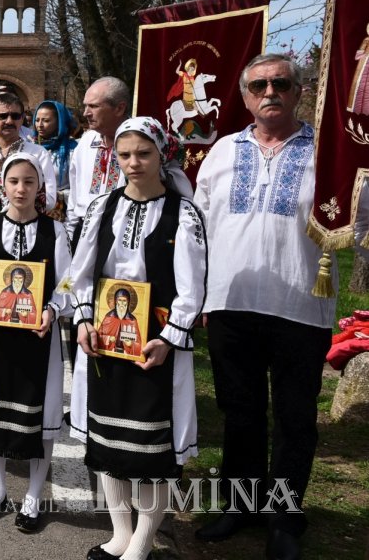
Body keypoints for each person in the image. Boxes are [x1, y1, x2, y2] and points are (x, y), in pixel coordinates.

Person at [193, 54, 332, 560]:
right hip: (231, 302)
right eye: (258, 85)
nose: (269, 91)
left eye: (280, 83)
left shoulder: (328, 150)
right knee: (240, 411)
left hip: (301, 303)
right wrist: (200, 293)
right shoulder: (224, 151)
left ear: (299, 91)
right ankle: (239, 506)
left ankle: (285, 516)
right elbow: (199, 225)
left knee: (295, 416)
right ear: (246, 96)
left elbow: (357, 219)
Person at [68, 116, 206, 560]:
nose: (133, 163)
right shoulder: (103, 207)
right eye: (124, 155)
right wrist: (84, 319)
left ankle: (143, 542)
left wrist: (169, 336)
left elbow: (194, 287)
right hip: (107, 339)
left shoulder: (181, 213)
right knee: (108, 442)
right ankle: (120, 534)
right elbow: (79, 273)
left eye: (143, 154)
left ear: (162, 154)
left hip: (155, 345)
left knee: (152, 448)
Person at [0, 153, 71, 532]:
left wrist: (53, 310)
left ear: (40, 186)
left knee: (38, 420)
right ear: (2, 186)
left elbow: (67, 283)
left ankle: (33, 496)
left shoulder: (54, 231)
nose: (21, 189)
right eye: (14, 181)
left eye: (29, 181)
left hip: (38, 341)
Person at [65, 77, 190, 240]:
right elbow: (75, 192)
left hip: (127, 233)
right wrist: (70, 230)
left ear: (119, 108)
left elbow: (173, 186)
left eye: (94, 106)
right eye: (85, 105)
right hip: (84, 232)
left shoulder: (146, 139)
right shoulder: (85, 142)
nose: (85, 113)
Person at [0, 92, 57, 213]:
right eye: (2, 116)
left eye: (15, 116)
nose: (9, 121)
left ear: (22, 118)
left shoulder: (38, 153)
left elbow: (49, 199)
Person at [34, 99, 78, 193]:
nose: (39, 125)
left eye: (46, 120)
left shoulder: (73, 151)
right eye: (37, 120)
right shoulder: (31, 147)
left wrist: (59, 196)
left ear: (59, 122)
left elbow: (79, 187)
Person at [96, 287, 142, 356]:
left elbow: (139, 344)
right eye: (119, 300)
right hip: (109, 354)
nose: (122, 303)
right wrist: (108, 338)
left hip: (126, 356)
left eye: (124, 300)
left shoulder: (132, 320)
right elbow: (98, 337)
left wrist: (131, 344)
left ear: (128, 302)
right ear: (115, 301)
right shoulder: (109, 317)